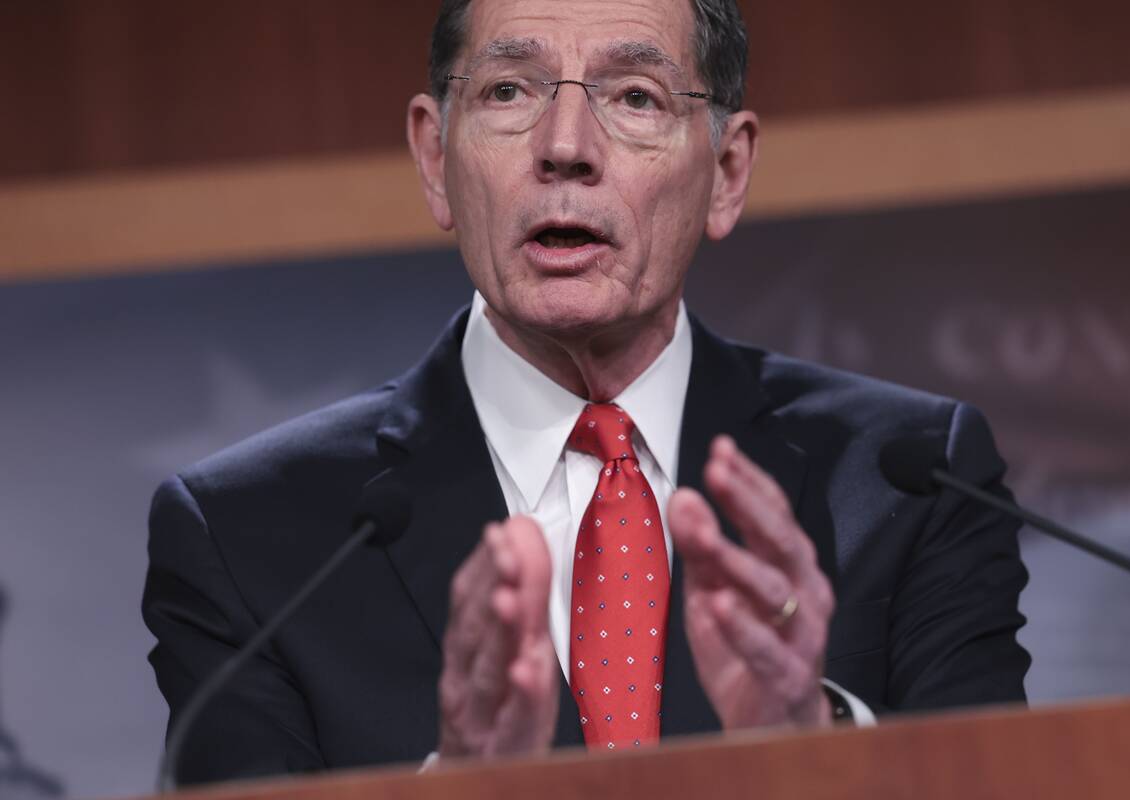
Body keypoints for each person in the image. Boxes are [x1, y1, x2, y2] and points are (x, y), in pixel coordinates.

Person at [142, 0, 1030, 784]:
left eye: (636, 96)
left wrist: (817, 750)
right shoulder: (248, 538)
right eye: (508, 92)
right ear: (433, 156)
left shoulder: (911, 481)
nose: (565, 149)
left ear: (726, 172)